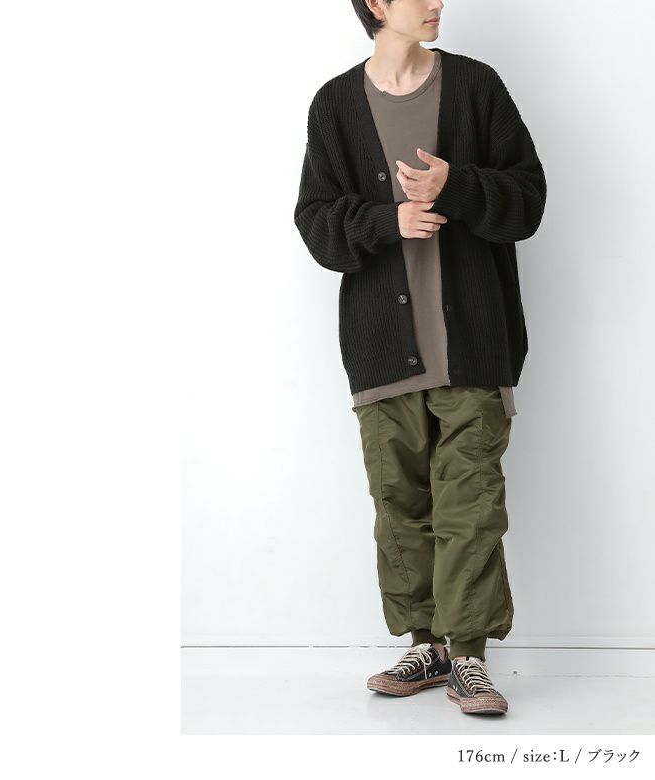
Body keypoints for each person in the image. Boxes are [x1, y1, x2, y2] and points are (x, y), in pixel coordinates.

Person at [293, 0, 547, 716]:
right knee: (399, 504)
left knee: (471, 504)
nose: (437, 2)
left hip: (474, 344)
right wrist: (388, 220)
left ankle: (469, 657)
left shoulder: (476, 86)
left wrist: (455, 186)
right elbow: (316, 222)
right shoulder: (336, 104)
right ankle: (427, 645)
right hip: (382, 347)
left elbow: (528, 201)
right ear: (376, 3)